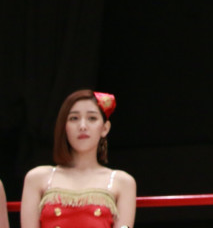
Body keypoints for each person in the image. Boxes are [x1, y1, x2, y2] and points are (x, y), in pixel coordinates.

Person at [20, 89, 136, 228]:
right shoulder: (37, 178)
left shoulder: (122, 182)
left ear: (105, 128)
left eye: (92, 118)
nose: (82, 126)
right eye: (74, 118)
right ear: (64, 127)